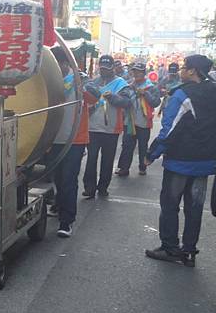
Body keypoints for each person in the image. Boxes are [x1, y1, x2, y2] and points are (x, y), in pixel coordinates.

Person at [145, 55, 216, 267]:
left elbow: (170, 129)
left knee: (170, 205)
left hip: (180, 161)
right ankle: (189, 251)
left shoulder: (182, 95)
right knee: (194, 208)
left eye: (185, 67)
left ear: (193, 71)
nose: (182, 70)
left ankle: (170, 248)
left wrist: (152, 153)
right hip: (204, 162)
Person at [48, 47, 100, 237]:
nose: (55, 69)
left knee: (68, 180)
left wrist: (81, 83)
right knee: (58, 179)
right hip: (53, 138)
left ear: (65, 64)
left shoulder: (80, 79)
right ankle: (59, 205)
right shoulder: (50, 79)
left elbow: (95, 96)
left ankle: (66, 221)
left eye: (57, 65)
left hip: (74, 139)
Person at [82, 55, 134, 198]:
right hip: (92, 127)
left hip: (111, 129)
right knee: (91, 159)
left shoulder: (121, 83)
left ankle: (103, 187)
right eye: (102, 68)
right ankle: (89, 188)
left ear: (113, 68)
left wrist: (113, 97)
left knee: (107, 160)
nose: (104, 71)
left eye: (107, 68)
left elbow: (127, 102)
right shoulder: (93, 82)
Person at [115, 62, 161, 176]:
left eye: (139, 71)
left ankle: (142, 166)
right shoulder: (128, 86)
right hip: (129, 122)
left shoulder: (151, 87)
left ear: (144, 73)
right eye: (135, 71)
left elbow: (156, 102)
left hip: (144, 122)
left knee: (142, 146)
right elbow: (121, 100)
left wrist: (145, 94)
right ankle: (124, 168)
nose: (137, 74)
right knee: (126, 145)